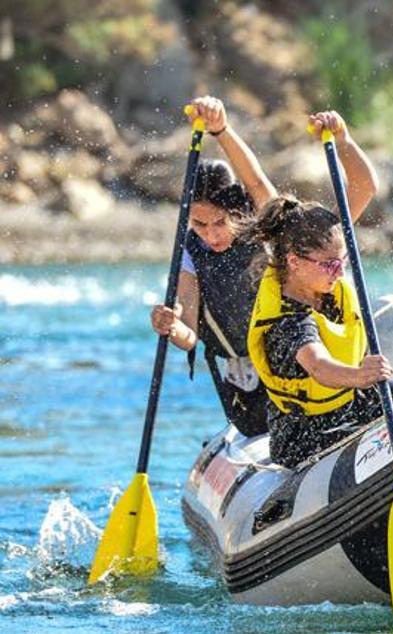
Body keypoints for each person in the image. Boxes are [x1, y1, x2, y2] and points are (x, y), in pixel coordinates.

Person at [150, 98, 379, 438]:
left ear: (239, 212)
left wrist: (221, 131)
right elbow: (189, 336)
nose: (211, 235)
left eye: (219, 223)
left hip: (316, 363)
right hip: (249, 381)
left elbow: (256, 181)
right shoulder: (190, 254)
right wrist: (169, 326)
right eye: (199, 225)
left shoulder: (273, 231)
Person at [244, 195, 393, 468]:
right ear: (294, 262)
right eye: (330, 264)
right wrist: (359, 375)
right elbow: (318, 366)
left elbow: (365, 186)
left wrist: (342, 148)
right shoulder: (288, 320)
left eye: (343, 261)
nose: (340, 273)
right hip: (306, 434)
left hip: (352, 405)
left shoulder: (324, 287)